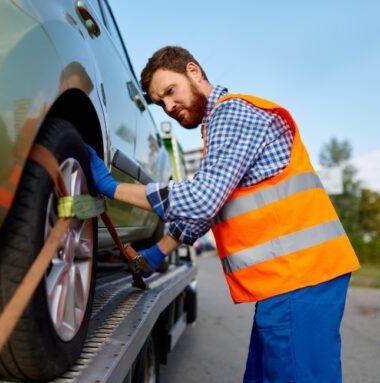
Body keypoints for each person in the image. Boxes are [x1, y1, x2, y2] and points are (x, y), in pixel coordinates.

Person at [86, 46, 360, 382]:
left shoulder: (232, 115)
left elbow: (202, 198)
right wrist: (160, 251)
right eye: (160, 103)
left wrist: (112, 188)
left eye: (170, 91)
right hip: (291, 279)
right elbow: (211, 209)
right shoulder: (219, 126)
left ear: (194, 72)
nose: (168, 107)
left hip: (300, 277)